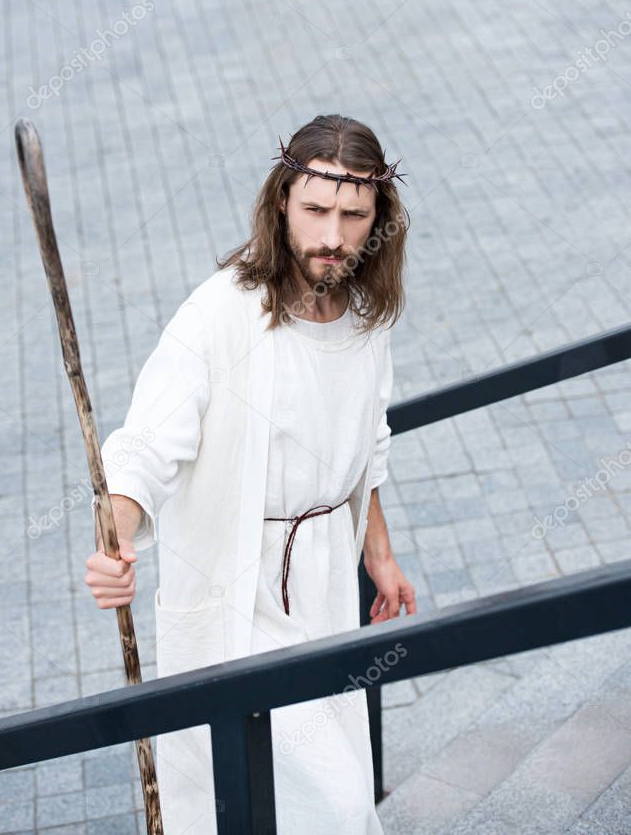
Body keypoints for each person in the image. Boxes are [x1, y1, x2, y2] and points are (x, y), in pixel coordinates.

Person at [85, 113, 417, 833]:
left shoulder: (365, 313)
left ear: (377, 218)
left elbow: (371, 441)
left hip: (326, 584)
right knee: (326, 802)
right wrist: (117, 538)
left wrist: (379, 555)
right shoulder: (218, 316)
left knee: (318, 786)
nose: (332, 234)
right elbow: (144, 448)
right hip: (238, 585)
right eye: (316, 210)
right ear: (280, 204)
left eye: (353, 216)